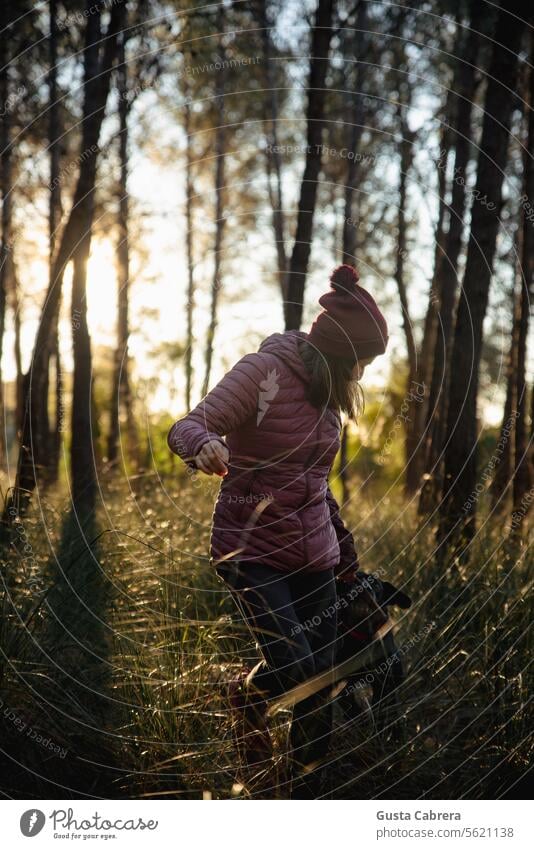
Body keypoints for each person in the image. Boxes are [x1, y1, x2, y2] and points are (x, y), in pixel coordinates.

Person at [168, 263, 388, 797]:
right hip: (251, 551)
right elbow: (187, 425)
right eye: (360, 362)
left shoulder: (328, 399)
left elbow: (314, 482)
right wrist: (203, 446)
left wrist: (345, 548)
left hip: (316, 553)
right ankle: (245, 698)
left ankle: (301, 793)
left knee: (325, 677)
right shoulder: (262, 372)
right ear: (339, 355)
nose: (361, 374)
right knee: (293, 666)